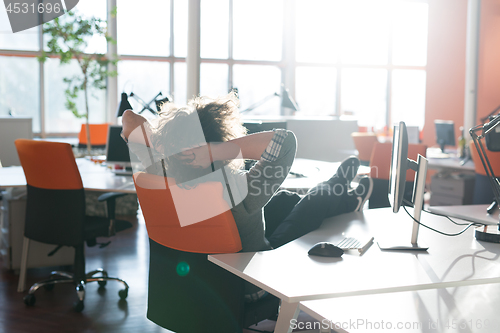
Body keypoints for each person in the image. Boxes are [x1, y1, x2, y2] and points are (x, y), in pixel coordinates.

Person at [121, 92, 373, 252]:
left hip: (194, 278)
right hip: (248, 280)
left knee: (286, 200)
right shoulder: (235, 191)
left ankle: (343, 196)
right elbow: (284, 142)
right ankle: (346, 195)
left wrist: (165, 145)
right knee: (314, 200)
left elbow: (129, 118)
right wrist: (216, 152)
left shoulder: (159, 172)